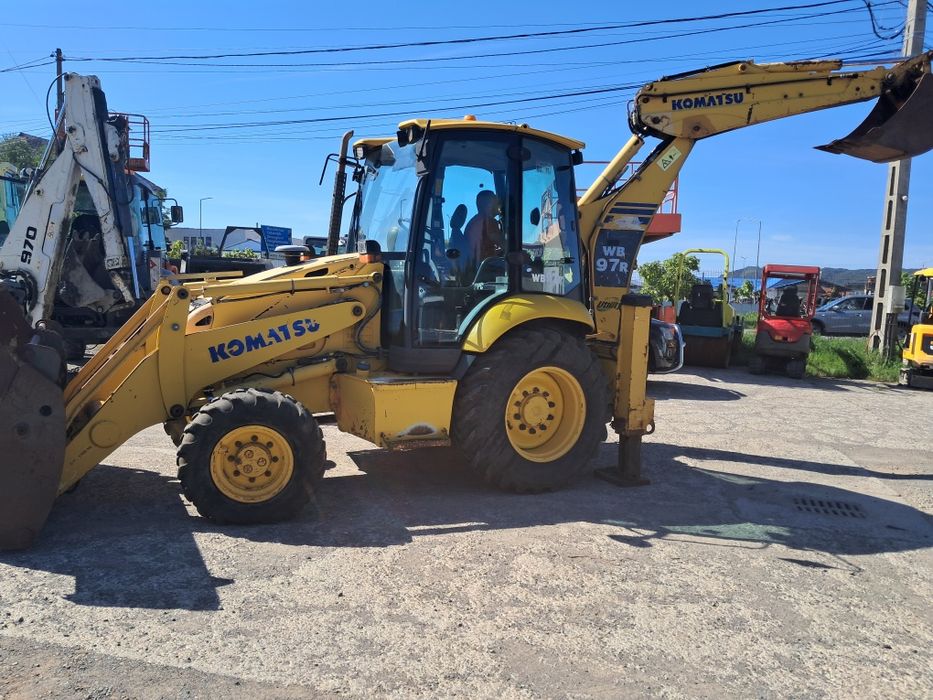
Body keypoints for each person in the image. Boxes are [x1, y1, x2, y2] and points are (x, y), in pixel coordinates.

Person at [465, 190, 504, 263]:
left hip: (476, 265)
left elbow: (482, 249)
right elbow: (504, 245)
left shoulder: (475, 220)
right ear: (489, 204)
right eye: (496, 202)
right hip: (485, 268)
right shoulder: (488, 221)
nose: (499, 205)